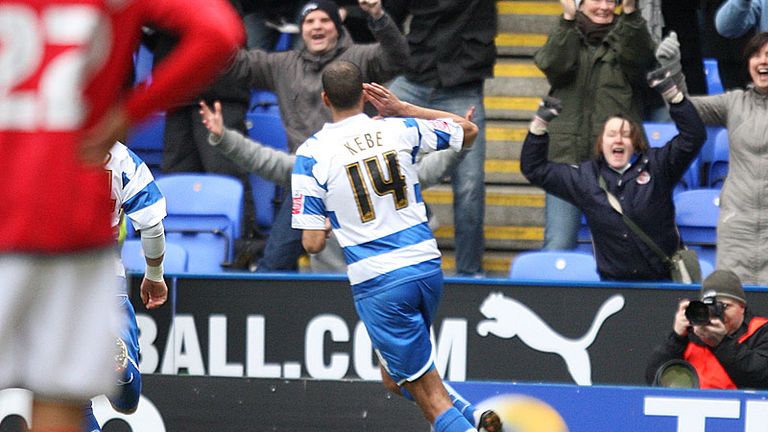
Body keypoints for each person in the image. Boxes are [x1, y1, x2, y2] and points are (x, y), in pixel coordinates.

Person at [0, 1, 242, 431]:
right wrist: (132, 112)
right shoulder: (121, 155)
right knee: (62, 398)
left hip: (10, 215)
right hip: (76, 238)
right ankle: (118, 357)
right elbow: (220, 33)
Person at [291, 61, 501, 431]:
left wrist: (327, 220)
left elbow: (310, 243)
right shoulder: (397, 128)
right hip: (425, 268)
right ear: (365, 94)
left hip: (380, 282)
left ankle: (464, 424)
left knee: (430, 399)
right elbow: (468, 131)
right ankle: (474, 416)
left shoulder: (312, 154)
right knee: (396, 377)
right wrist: (405, 108)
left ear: (325, 99)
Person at [226, 0, 409, 272]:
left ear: (337, 26)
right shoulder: (283, 64)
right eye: (310, 21)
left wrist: (377, 16)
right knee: (273, 266)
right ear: (301, 30)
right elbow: (237, 65)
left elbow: (398, 58)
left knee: (371, 267)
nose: (317, 26)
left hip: (356, 180)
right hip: (306, 183)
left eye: (324, 20)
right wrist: (206, 26)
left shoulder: (360, 58)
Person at [198, 101, 467, 272]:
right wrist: (224, 139)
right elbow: (267, 162)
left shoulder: (398, 168)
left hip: (387, 275)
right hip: (333, 287)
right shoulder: (321, 162)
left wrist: (459, 144)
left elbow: (439, 164)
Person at [520, 67, 707, 281]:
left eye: (625, 135)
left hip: (662, 284)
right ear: (601, 143)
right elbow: (533, 169)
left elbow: (694, 137)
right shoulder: (585, 177)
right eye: (611, 134)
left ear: (635, 144)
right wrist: (539, 125)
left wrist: (673, 96)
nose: (618, 140)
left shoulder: (658, 165)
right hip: (613, 287)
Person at [533, 0, 655, 251]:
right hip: (567, 161)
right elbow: (553, 65)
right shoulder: (566, 33)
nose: (604, 6)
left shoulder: (628, 33)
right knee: (559, 242)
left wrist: (631, 14)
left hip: (616, 164)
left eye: (611, 0)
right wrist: (567, 19)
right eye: (596, 0)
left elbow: (643, 62)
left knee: (622, 247)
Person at [386, 0, 497, 276]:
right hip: (413, 79)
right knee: (375, 153)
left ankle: (470, 273)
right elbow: (389, 17)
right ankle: (419, 218)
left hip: (463, 89)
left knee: (470, 187)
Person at [656, 31, 768, 285]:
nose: (763, 61)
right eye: (756, 55)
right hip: (737, 231)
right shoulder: (734, 103)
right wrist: (671, 70)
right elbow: (685, 110)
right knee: (731, 310)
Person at [84, 142, 169, 431]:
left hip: (52, 283)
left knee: (69, 395)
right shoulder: (119, 156)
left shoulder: (38, 147)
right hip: (106, 281)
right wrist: (155, 275)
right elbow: (153, 226)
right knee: (126, 402)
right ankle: (121, 368)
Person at [645, 270, 768, 389]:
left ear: (742, 307)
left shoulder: (761, 330)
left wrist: (722, 343)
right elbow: (653, 379)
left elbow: (761, 377)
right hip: (693, 404)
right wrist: (676, 338)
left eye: (724, 306)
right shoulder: (690, 332)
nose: (717, 313)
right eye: (709, 307)